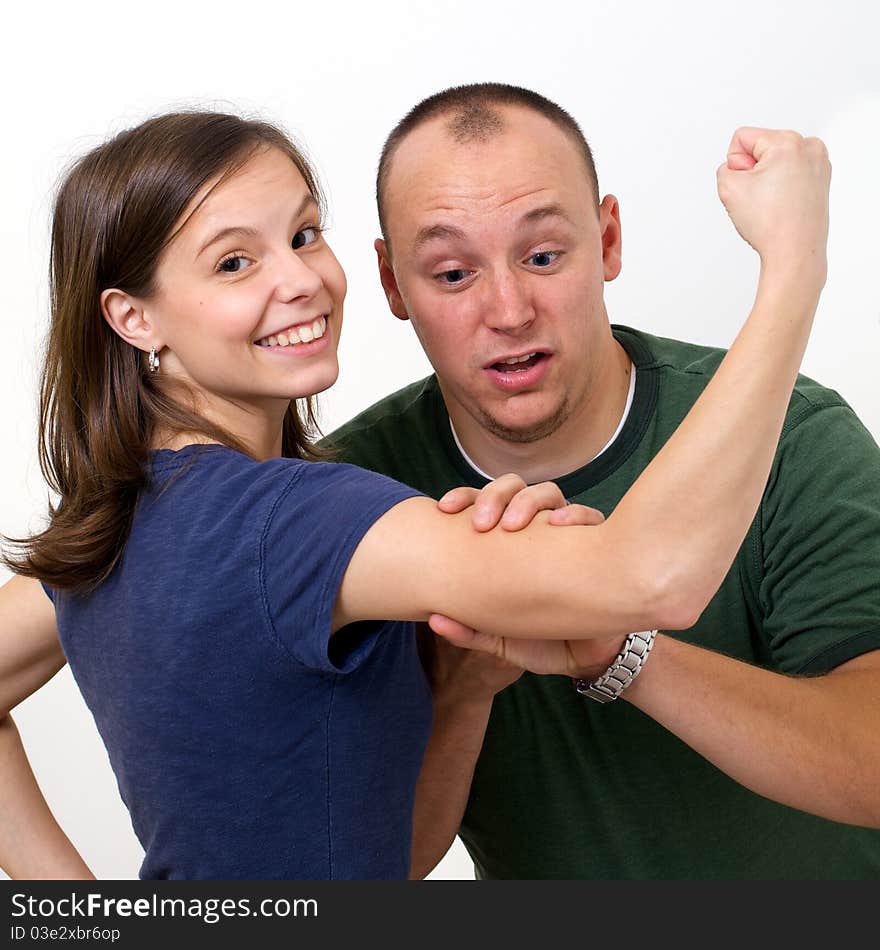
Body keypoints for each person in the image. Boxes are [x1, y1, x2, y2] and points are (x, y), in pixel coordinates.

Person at [0, 105, 833, 880]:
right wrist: (793, 265)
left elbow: (389, 862)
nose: (301, 281)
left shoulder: (120, 523)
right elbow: (654, 575)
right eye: (234, 262)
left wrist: (466, 687)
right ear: (133, 318)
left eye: (303, 233)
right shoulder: (295, 518)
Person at [326, 83, 880, 879]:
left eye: (543, 256)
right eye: (452, 273)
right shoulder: (351, 492)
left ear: (609, 238)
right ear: (391, 284)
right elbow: (370, 872)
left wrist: (617, 651)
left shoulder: (791, 431)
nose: (509, 309)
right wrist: (460, 692)